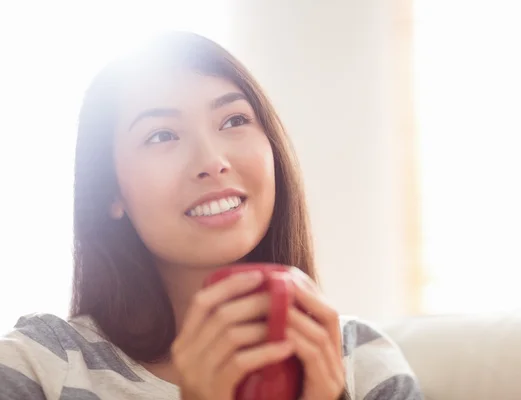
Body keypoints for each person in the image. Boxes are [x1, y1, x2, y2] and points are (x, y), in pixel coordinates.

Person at [0, 31, 422, 400]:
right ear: (111, 190)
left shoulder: (363, 363)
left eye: (234, 119)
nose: (213, 160)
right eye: (162, 135)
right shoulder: (35, 364)